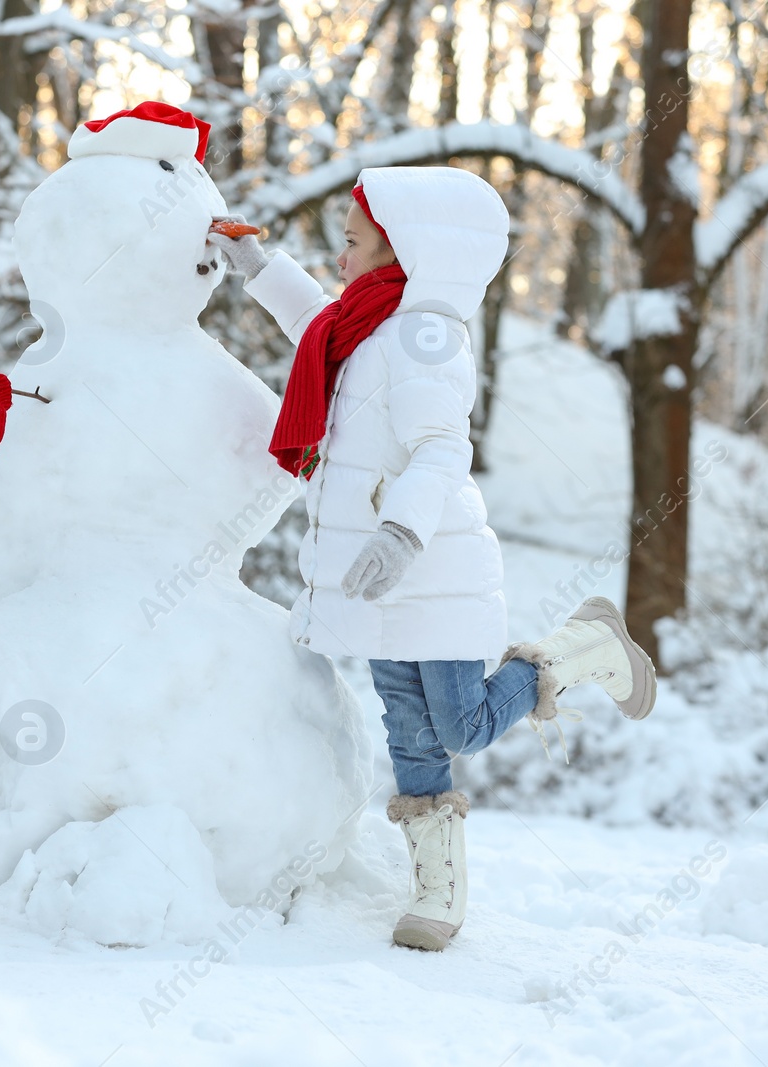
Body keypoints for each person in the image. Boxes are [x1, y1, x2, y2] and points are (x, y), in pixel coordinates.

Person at [207, 166, 658, 952]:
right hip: (377, 580)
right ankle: (437, 892)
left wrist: (402, 535)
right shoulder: (362, 323)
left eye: (351, 243)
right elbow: (317, 320)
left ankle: (582, 650)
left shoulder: (425, 334)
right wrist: (261, 269)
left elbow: (443, 449)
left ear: (402, 249)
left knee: (464, 722)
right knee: (411, 736)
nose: (339, 257)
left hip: (431, 569)